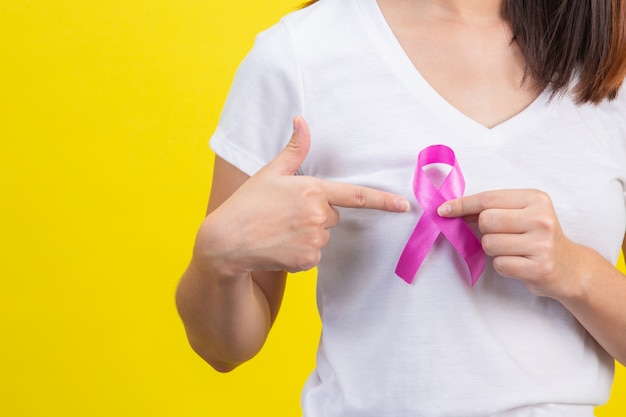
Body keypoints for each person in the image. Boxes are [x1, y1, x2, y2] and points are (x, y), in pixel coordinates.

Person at [176, 0, 626, 415]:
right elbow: (221, 349)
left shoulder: (613, 59)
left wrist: (578, 272)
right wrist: (217, 259)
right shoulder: (301, 54)